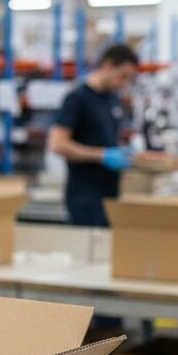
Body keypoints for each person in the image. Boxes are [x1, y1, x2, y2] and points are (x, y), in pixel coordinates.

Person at [48, 44, 140, 226]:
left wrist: (124, 152)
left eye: (129, 78)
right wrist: (103, 155)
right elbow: (57, 144)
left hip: (110, 193)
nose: (124, 83)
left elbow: (105, 137)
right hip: (85, 197)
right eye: (122, 76)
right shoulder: (77, 98)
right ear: (107, 65)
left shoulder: (113, 99)